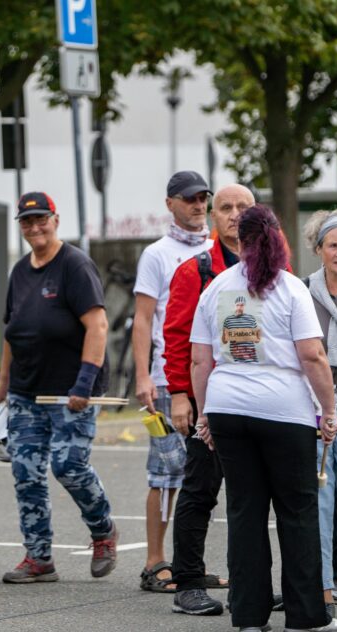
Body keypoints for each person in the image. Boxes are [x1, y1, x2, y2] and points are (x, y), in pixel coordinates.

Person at [190, 204, 337, 632]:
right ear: (278, 240)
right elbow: (313, 356)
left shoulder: (216, 288)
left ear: (239, 242)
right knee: (297, 512)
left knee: (245, 511)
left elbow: (200, 360)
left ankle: (249, 616)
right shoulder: (291, 289)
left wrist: (204, 413)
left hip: (228, 407)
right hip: (283, 410)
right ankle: (305, 617)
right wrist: (328, 410)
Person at [0, 191, 118, 584]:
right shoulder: (19, 272)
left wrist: (84, 382)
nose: (34, 227)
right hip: (26, 392)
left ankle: (103, 530)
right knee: (25, 471)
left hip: (72, 390)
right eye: (27, 222)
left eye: (41, 219)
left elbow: (97, 326)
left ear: (56, 219)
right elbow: (12, 331)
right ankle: (39, 557)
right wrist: (3, 381)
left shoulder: (75, 266)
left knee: (68, 465)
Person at [162, 184, 253, 616]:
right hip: (208, 398)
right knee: (200, 489)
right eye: (226, 208)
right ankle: (189, 581)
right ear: (213, 217)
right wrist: (181, 396)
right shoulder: (194, 271)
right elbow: (176, 339)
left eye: (244, 207)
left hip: (258, 399)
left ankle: (248, 584)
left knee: (252, 493)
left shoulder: (271, 267)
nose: (235, 214)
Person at [132, 171, 214, 593]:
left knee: (206, 474)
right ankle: (154, 561)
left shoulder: (219, 249)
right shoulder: (157, 254)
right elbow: (144, 319)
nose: (198, 205)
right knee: (167, 470)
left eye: (203, 197)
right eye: (189, 199)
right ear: (170, 204)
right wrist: (144, 375)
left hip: (214, 377)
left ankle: (191, 563)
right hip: (169, 378)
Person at [303, 207, 337, 619]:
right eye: (333, 245)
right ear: (319, 250)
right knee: (319, 496)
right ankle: (323, 588)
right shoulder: (303, 291)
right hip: (317, 399)